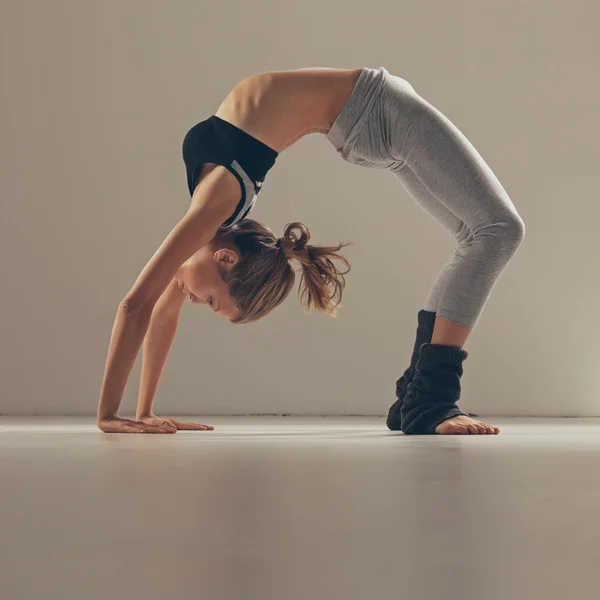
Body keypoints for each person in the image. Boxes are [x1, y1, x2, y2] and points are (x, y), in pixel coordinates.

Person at [96, 67, 525, 436]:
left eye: (210, 302)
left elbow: (140, 306)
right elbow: (163, 309)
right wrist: (142, 414)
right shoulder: (215, 219)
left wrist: (111, 415)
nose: (191, 299)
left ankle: (421, 398)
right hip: (371, 118)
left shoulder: (215, 205)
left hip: (377, 109)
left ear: (226, 259)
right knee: (492, 234)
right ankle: (425, 398)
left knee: (494, 231)